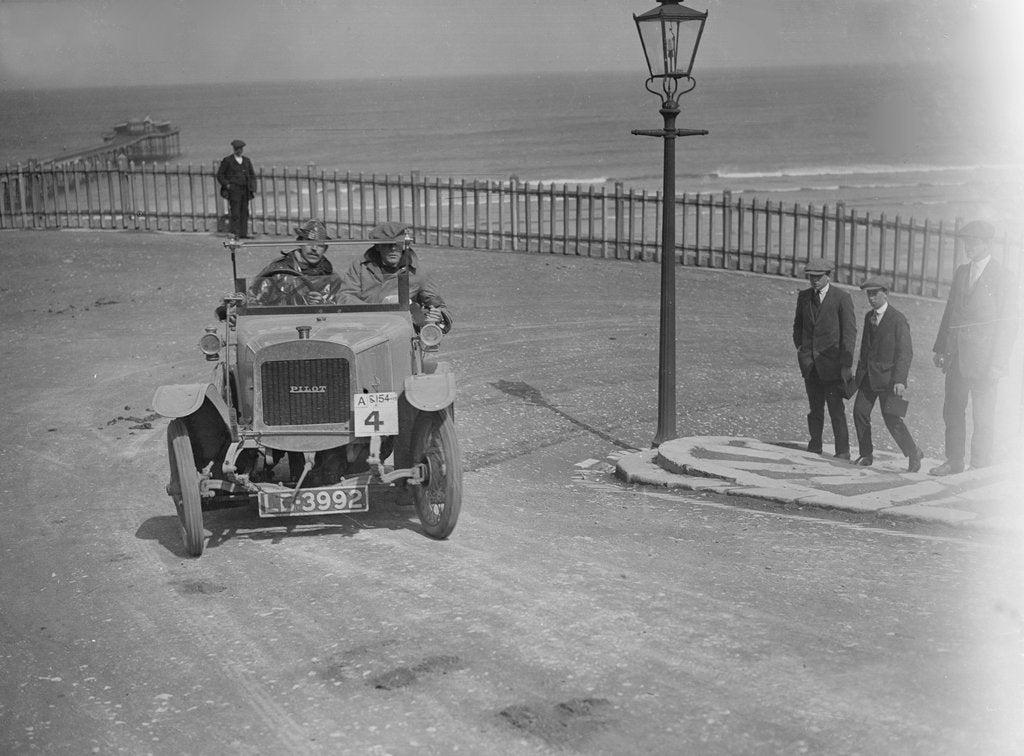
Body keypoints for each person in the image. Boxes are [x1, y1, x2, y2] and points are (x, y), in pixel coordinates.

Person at [929, 220, 1019, 475]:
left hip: (985, 361)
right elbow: (951, 311)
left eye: (974, 242)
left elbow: (1008, 325)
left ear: (987, 244)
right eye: (966, 242)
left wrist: (998, 363)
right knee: (952, 410)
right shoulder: (961, 272)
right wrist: (940, 348)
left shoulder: (1004, 277)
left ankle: (979, 465)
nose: (968, 247)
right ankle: (954, 461)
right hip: (956, 357)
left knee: (983, 415)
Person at [851, 278, 924, 471]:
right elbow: (865, 349)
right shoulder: (869, 317)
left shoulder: (898, 319)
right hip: (868, 378)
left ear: (886, 294)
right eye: (869, 294)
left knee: (893, 419)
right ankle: (866, 454)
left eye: (875, 294)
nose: (871, 298)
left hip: (890, 381)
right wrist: (859, 375)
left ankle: (913, 452)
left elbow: (905, 353)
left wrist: (900, 380)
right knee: (859, 412)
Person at [792, 257, 857, 459]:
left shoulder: (841, 298)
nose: (814, 280)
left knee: (836, 409)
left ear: (828, 276)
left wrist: (845, 363)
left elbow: (849, 333)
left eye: (818, 277)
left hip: (832, 365)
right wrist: (802, 348)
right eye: (811, 277)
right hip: (810, 364)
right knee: (815, 409)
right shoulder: (804, 297)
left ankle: (843, 451)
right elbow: (798, 325)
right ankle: (815, 445)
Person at [338, 220, 453, 332]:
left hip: (399, 331)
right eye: (387, 245)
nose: (393, 249)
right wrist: (373, 313)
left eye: (397, 244)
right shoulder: (360, 266)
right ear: (377, 247)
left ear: (403, 246)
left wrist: (439, 315)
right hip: (363, 327)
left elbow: (439, 306)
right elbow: (345, 296)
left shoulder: (418, 271)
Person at [247, 219, 341, 306]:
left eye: (320, 245)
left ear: (325, 249)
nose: (314, 248)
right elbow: (253, 301)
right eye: (309, 242)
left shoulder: (332, 279)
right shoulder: (277, 271)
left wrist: (322, 305)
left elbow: (337, 311)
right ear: (300, 242)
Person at [216, 139, 257, 239]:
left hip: (245, 190)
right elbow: (220, 175)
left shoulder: (246, 161)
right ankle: (235, 233)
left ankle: (243, 233)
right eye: (237, 149)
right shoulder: (228, 161)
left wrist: (253, 188)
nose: (239, 151)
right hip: (234, 190)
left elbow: (252, 175)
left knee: (245, 212)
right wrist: (227, 185)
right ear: (234, 149)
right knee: (235, 212)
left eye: (240, 149)